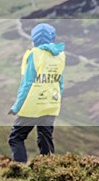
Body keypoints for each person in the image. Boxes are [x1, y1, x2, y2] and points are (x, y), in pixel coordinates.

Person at [7, 23, 66, 163]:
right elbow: (60, 82)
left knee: (16, 138)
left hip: (33, 105)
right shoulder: (60, 55)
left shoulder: (34, 55)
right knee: (45, 137)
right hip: (51, 104)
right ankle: (50, 169)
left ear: (35, 39)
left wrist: (17, 106)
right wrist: (56, 100)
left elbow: (27, 84)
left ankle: (19, 169)